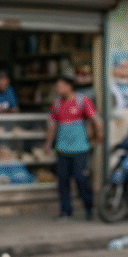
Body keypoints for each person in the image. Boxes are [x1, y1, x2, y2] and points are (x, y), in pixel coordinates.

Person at [45, 76, 101, 220]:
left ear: (69, 86)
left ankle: (89, 208)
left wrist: (99, 135)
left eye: (60, 85)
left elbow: (96, 120)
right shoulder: (56, 104)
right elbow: (52, 126)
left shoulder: (83, 101)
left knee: (81, 179)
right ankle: (66, 212)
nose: (58, 89)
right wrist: (48, 144)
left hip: (80, 149)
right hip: (62, 149)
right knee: (63, 182)